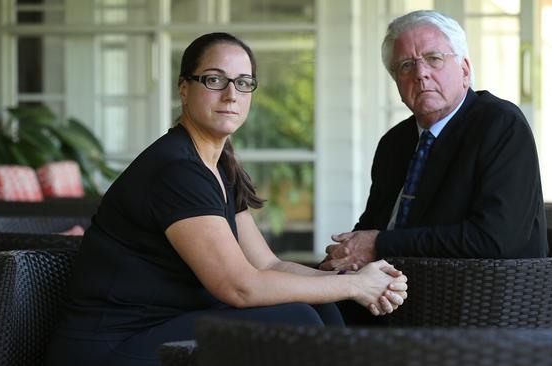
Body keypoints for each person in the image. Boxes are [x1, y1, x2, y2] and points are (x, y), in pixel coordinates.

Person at [45, 32, 407, 366]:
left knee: (322, 306)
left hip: (165, 327)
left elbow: (267, 266)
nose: (231, 94)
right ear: (184, 88)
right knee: (298, 316)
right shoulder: (176, 170)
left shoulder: (218, 167)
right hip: (110, 346)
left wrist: (353, 281)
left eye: (243, 83)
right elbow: (238, 286)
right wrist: (356, 285)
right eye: (214, 80)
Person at [320, 10, 547, 272]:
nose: (420, 73)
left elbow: (495, 239)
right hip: (386, 288)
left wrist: (381, 244)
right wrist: (344, 254)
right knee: (305, 301)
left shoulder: (500, 125)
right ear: (397, 81)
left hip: (481, 297)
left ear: (464, 70)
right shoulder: (394, 142)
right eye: (406, 65)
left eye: (433, 59)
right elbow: (374, 226)